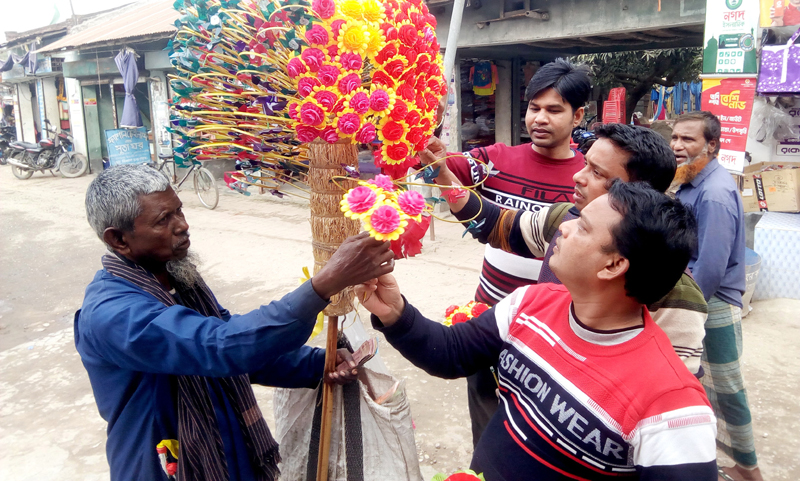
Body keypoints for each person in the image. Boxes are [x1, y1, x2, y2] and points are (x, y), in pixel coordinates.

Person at [357, 181, 718, 480]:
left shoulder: (671, 405)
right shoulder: (533, 302)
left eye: (583, 226)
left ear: (614, 264)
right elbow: (452, 353)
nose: (564, 225)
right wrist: (395, 312)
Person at [75, 164, 395, 481]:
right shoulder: (112, 313)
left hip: (229, 451)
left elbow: (243, 348)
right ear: (118, 239)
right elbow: (219, 347)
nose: (183, 225)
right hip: (169, 466)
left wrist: (319, 364)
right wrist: (322, 285)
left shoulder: (175, 276)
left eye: (179, 211)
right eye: (164, 220)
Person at [427, 123, 708, 377]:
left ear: (636, 193)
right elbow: (495, 225)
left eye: (597, 172)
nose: (577, 176)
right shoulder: (565, 219)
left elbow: (670, 391)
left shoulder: (677, 293)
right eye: (586, 164)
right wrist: (443, 174)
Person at [423, 58, 592, 446]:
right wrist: (426, 147)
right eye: (535, 108)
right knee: (485, 423)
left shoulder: (589, 179)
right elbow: (443, 168)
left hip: (553, 331)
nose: (540, 119)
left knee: (539, 432)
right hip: (488, 318)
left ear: (578, 115)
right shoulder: (495, 161)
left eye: (554, 110)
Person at [670, 112, 762, 481]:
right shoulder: (692, 181)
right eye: (675, 138)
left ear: (711, 144)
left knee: (726, 389)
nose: (677, 146)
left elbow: (708, 267)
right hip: (701, 299)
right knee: (701, 386)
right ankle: (719, 461)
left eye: (688, 140)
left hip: (713, 303)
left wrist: (683, 312)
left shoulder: (714, 193)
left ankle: (748, 468)